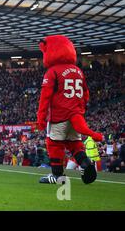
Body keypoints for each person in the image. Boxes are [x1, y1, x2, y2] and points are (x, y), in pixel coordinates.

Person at [36, 35, 103, 185]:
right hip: (75, 115)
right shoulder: (78, 71)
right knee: (74, 144)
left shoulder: (52, 72)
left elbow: (45, 97)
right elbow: (86, 94)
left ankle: (57, 176)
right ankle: (85, 164)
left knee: (54, 144)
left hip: (59, 116)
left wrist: (41, 118)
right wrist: (79, 109)